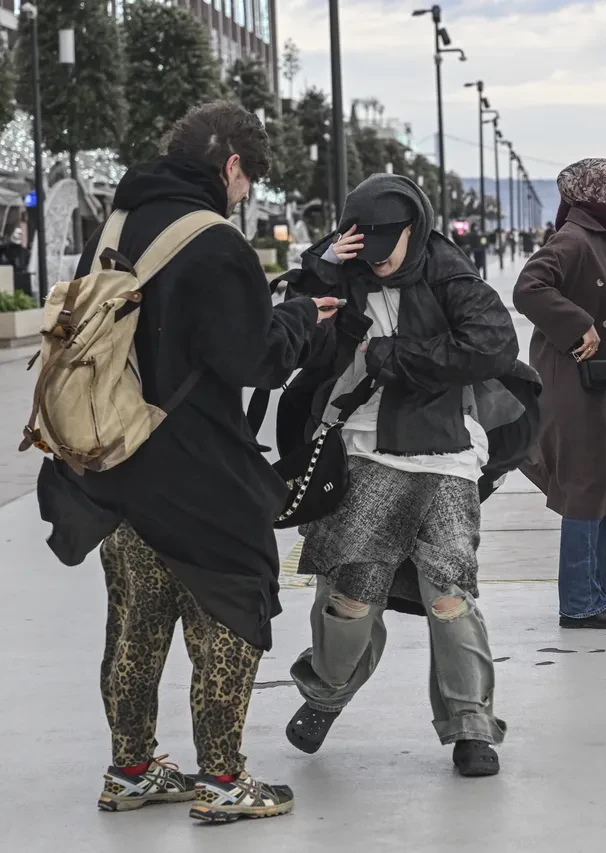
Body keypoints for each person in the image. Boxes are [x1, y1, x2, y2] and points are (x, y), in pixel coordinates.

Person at [36, 101, 336, 821]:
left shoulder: (115, 226)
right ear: (231, 165)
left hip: (111, 462)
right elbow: (253, 358)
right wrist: (299, 315)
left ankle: (132, 769)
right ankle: (226, 781)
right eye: (249, 179)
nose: (246, 193)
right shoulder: (215, 241)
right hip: (195, 468)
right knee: (232, 606)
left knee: (136, 620)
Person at [277, 174, 540, 777]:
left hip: (444, 455)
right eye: (364, 248)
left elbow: (493, 344)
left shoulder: (452, 274)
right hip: (361, 452)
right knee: (350, 594)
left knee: (450, 593)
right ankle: (326, 692)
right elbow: (301, 355)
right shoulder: (338, 271)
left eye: (386, 248)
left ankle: (471, 726)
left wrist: (394, 357)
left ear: (413, 231)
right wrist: (318, 273)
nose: (378, 262)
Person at [513, 159, 606, 629]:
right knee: (586, 489)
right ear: (594, 194)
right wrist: (578, 324)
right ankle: (579, 601)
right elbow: (529, 288)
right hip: (574, 386)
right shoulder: (572, 239)